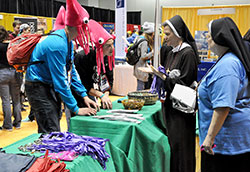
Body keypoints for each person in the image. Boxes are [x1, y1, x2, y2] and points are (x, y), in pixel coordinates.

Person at [24, 0, 98, 133]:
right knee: (51, 127)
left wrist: (84, 95)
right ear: (78, 27)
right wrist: (76, 108)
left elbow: (71, 70)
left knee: (55, 118)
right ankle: (47, 152)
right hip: (37, 85)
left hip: (47, 83)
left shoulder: (67, 41)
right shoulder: (57, 44)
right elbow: (61, 81)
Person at [198, 17, 250, 172]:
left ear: (218, 37)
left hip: (226, 143)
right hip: (232, 139)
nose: (206, 38)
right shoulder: (228, 60)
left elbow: (223, 106)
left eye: (208, 34)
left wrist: (209, 137)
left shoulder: (228, 65)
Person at [151, 15, 199, 172]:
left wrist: (164, 78)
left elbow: (184, 84)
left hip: (182, 113)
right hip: (171, 109)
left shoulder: (188, 54)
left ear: (178, 34)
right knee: (174, 147)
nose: (165, 38)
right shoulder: (171, 52)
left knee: (182, 148)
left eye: (168, 34)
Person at [66, 19, 115, 130]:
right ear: (99, 47)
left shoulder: (107, 57)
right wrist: (100, 95)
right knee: (76, 126)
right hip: (77, 94)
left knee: (92, 123)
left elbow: (109, 80)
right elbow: (81, 84)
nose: (112, 48)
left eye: (112, 44)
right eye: (108, 46)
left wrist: (105, 94)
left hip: (92, 93)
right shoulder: (82, 57)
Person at [0, 26, 22, 131]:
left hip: (2, 73)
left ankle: (8, 125)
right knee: (16, 100)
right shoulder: (11, 45)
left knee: (6, 100)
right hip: (14, 72)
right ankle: (17, 123)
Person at [133, 22, 154, 90]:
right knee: (140, 87)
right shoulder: (144, 42)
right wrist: (153, 53)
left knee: (140, 84)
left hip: (138, 65)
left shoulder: (138, 38)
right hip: (141, 66)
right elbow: (143, 56)